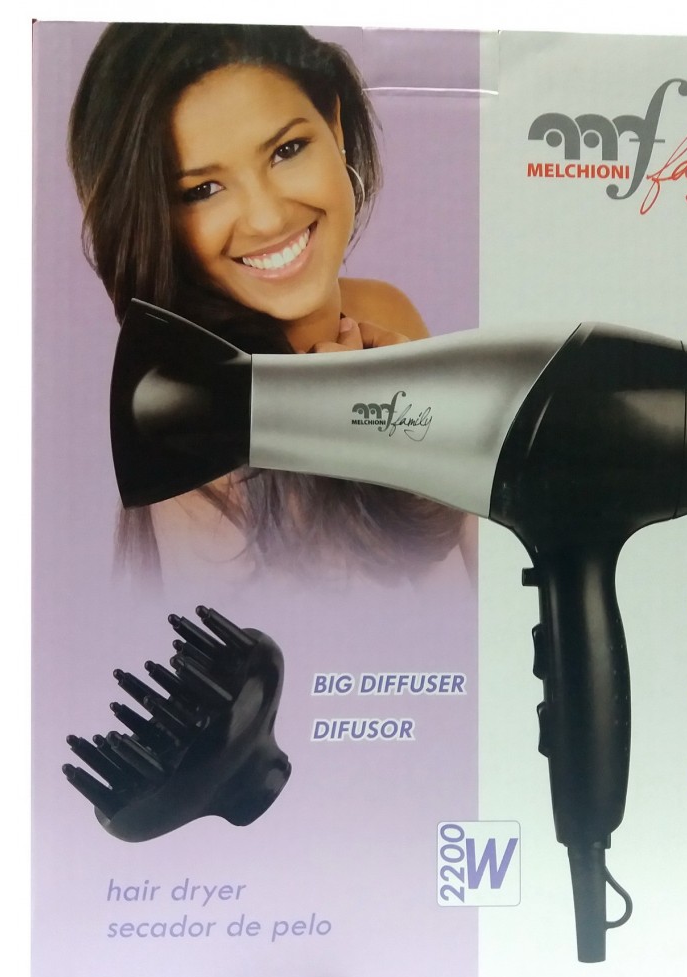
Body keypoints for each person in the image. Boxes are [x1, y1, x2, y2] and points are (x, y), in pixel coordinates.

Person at [68, 23, 472, 586]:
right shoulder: (200, 421)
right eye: (202, 190)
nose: (266, 218)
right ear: (156, 218)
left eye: (286, 150)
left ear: (334, 124)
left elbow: (492, 587)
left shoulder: (384, 313)